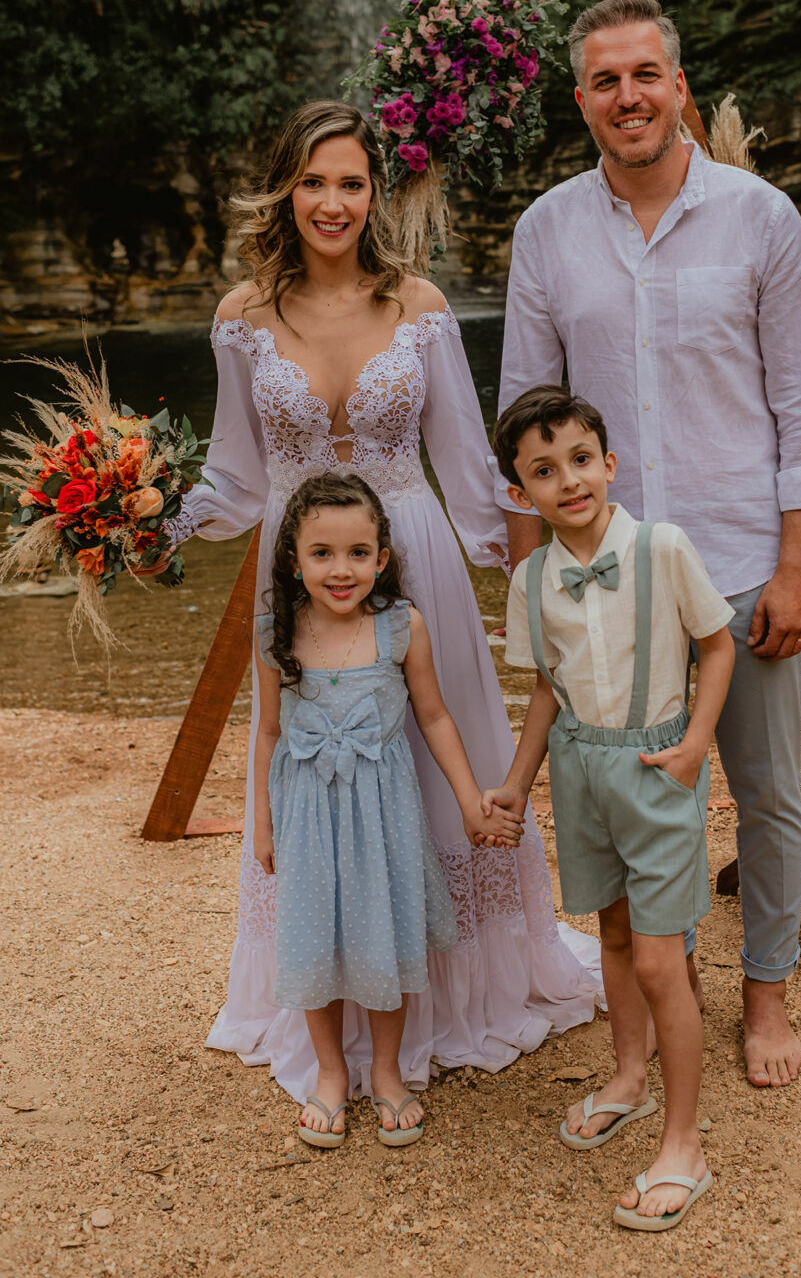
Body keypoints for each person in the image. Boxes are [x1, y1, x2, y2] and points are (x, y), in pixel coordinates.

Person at [162, 100, 599, 1105]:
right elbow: (232, 477)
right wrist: (153, 528)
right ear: (285, 189)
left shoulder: (423, 306)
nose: (331, 201)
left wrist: (541, 571)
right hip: (298, 571)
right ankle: (326, 1011)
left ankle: (446, 998)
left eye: (351, 182)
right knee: (318, 783)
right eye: (313, 181)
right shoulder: (241, 316)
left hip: (415, 560)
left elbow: (468, 467)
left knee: (433, 772)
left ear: (376, 192)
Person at [499, 0, 801, 1090]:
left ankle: (768, 992)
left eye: (645, 74)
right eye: (605, 81)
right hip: (606, 587)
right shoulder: (546, 230)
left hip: (741, 562)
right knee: (631, 793)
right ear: (582, 99)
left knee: (769, 789)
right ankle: (662, 998)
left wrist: (797, 566)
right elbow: (522, 413)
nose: (628, 96)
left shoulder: (760, 217)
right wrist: (529, 581)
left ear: (679, 84)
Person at [483, 387, 735, 1230]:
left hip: (659, 764)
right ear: (521, 493)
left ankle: (684, 1145)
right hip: (580, 770)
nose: (568, 481)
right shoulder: (530, 581)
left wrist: (699, 740)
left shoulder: (662, 547)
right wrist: (518, 782)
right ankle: (628, 1077)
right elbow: (547, 691)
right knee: (615, 934)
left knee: (664, 961)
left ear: (610, 463)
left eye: (580, 460)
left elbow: (717, 642)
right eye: (543, 472)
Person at [253, 470, 521, 1147]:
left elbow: (433, 718)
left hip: (383, 814)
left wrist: (469, 802)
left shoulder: (402, 626)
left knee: (384, 934)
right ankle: (332, 1074)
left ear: (383, 557)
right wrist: (262, 822)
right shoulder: (276, 631)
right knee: (315, 938)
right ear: (294, 559)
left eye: (357, 553)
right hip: (308, 813)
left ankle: (392, 1073)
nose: (341, 570)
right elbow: (267, 731)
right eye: (322, 553)